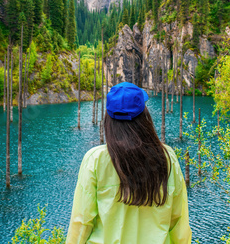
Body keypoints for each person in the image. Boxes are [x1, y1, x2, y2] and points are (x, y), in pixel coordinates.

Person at [66, 82, 192, 243]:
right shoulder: (167, 157)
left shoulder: (95, 160)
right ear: (144, 116)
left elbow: (81, 223)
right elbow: (179, 223)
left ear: (108, 119)